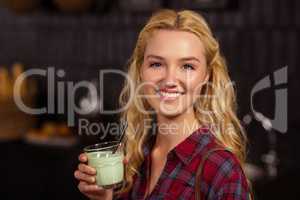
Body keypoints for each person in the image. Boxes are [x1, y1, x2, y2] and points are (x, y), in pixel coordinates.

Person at [74, 9, 252, 200]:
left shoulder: (222, 170)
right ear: (141, 70)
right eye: (157, 64)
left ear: (206, 76)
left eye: (187, 66)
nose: (169, 80)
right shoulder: (136, 161)